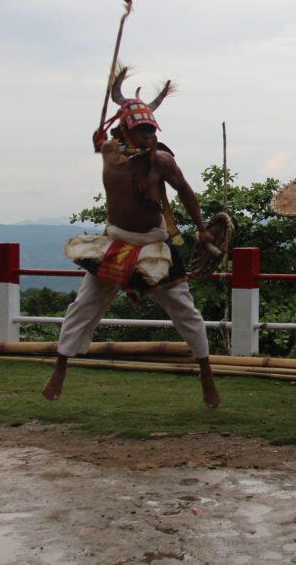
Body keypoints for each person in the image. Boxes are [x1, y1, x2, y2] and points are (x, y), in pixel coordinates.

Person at [42, 68, 220, 408]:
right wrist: (96, 138)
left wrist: (200, 229)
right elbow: (99, 144)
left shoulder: (161, 162)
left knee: (185, 312)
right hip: (115, 242)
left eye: (150, 129)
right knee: (83, 307)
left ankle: (207, 375)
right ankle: (61, 367)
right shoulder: (109, 151)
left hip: (154, 244)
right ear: (123, 129)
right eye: (140, 129)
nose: (146, 136)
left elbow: (186, 192)